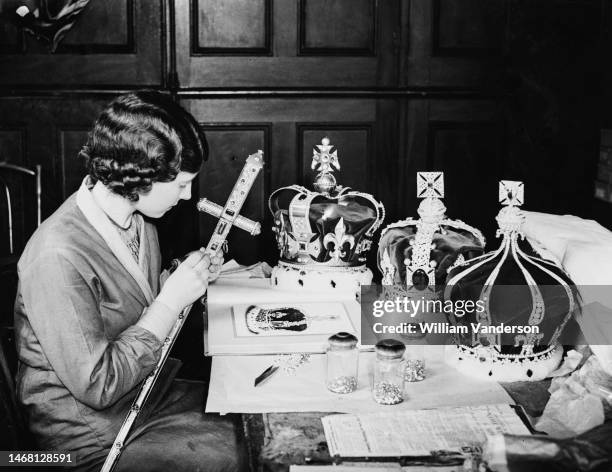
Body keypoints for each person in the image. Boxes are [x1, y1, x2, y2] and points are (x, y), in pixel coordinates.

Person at [13, 91, 246, 471]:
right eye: (182, 183)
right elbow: (98, 384)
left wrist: (185, 277)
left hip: (144, 396)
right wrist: (170, 300)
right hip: (87, 439)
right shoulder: (57, 253)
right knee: (244, 454)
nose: (187, 196)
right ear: (142, 174)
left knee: (249, 412)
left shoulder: (136, 221)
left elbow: (134, 302)